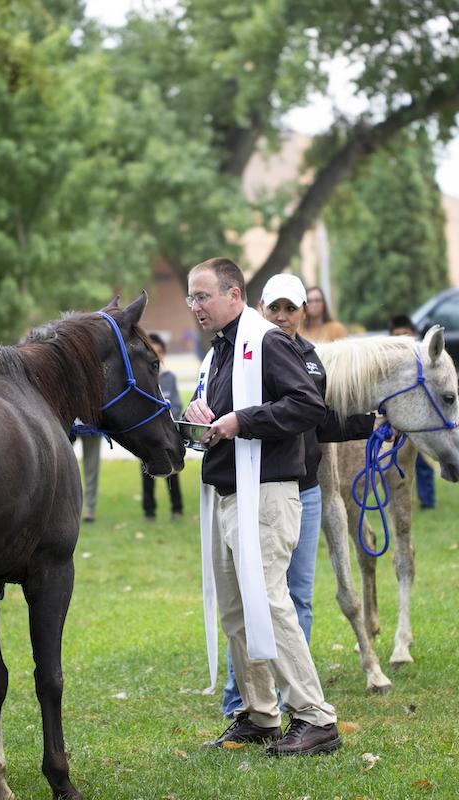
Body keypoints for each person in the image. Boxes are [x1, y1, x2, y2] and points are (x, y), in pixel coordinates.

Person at [184, 257, 342, 757]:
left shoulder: (268, 341)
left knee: (270, 605)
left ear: (235, 295)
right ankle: (260, 714)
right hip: (226, 494)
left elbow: (309, 406)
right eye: (191, 297)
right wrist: (197, 415)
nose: (194, 306)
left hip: (267, 495)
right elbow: (211, 416)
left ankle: (316, 718)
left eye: (202, 295)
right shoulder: (217, 355)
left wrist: (241, 421)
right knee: (235, 611)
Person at [220, 274, 375, 719]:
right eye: (276, 308)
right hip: (262, 485)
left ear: (305, 311)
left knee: (297, 596)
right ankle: (242, 699)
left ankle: (293, 699)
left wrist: (367, 423)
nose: (284, 317)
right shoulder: (251, 352)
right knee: (254, 596)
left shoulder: (310, 358)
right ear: (262, 309)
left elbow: (317, 422)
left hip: (307, 490)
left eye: (292, 308)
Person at [389, 314, 436, 510]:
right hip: (395, 421)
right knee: (391, 462)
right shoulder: (388, 361)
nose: (402, 339)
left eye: (405, 334)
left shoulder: (421, 361)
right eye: (397, 335)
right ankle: (393, 499)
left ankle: (427, 500)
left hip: (417, 421)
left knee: (422, 462)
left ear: (414, 334)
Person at [142, 333, 183, 520]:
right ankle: (149, 511)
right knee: (146, 473)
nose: (156, 355)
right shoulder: (142, 380)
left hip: (167, 433)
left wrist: (167, 420)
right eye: (152, 351)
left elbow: (176, 403)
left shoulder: (169, 378)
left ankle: (177, 509)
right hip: (148, 435)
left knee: (172, 473)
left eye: (159, 351)